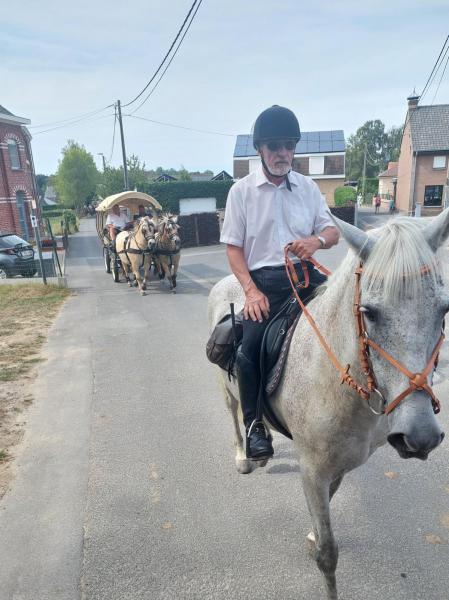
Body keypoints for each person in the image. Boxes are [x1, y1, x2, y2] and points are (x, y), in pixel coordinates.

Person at [220, 105, 339, 460]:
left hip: (306, 277)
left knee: (352, 316)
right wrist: (250, 291)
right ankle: (255, 425)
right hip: (265, 283)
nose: (282, 153)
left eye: (288, 145)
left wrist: (316, 242)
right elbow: (233, 248)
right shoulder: (241, 192)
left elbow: (332, 231)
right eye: (274, 146)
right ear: (260, 150)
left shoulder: (308, 187)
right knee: (249, 347)